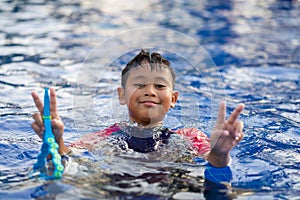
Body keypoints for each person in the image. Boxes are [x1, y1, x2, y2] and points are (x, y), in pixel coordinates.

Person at [31, 49, 245, 169]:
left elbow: (213, 164)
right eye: (140, 85)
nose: (150, 91)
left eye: (159, 86)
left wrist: (220, 152)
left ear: (173, 99)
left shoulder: (190, 136)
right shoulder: (106, 137)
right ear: (122, 96)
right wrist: (55, 138)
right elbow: (67, 158)